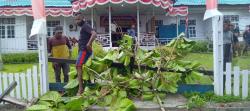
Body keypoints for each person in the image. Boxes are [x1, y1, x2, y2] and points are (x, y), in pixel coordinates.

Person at [74, 12, 97, 95]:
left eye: (79, 19)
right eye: (76, 20)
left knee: (78, 65)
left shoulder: (85, 26)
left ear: (83, 18)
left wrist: (88, 44)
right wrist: (76, 41)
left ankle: (80, 89)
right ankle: (81, 87)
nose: (77, 21)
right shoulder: (83, 27)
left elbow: (94, 34)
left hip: (84, 50)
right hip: (82, 49)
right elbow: (85, 38)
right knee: (78, 66)